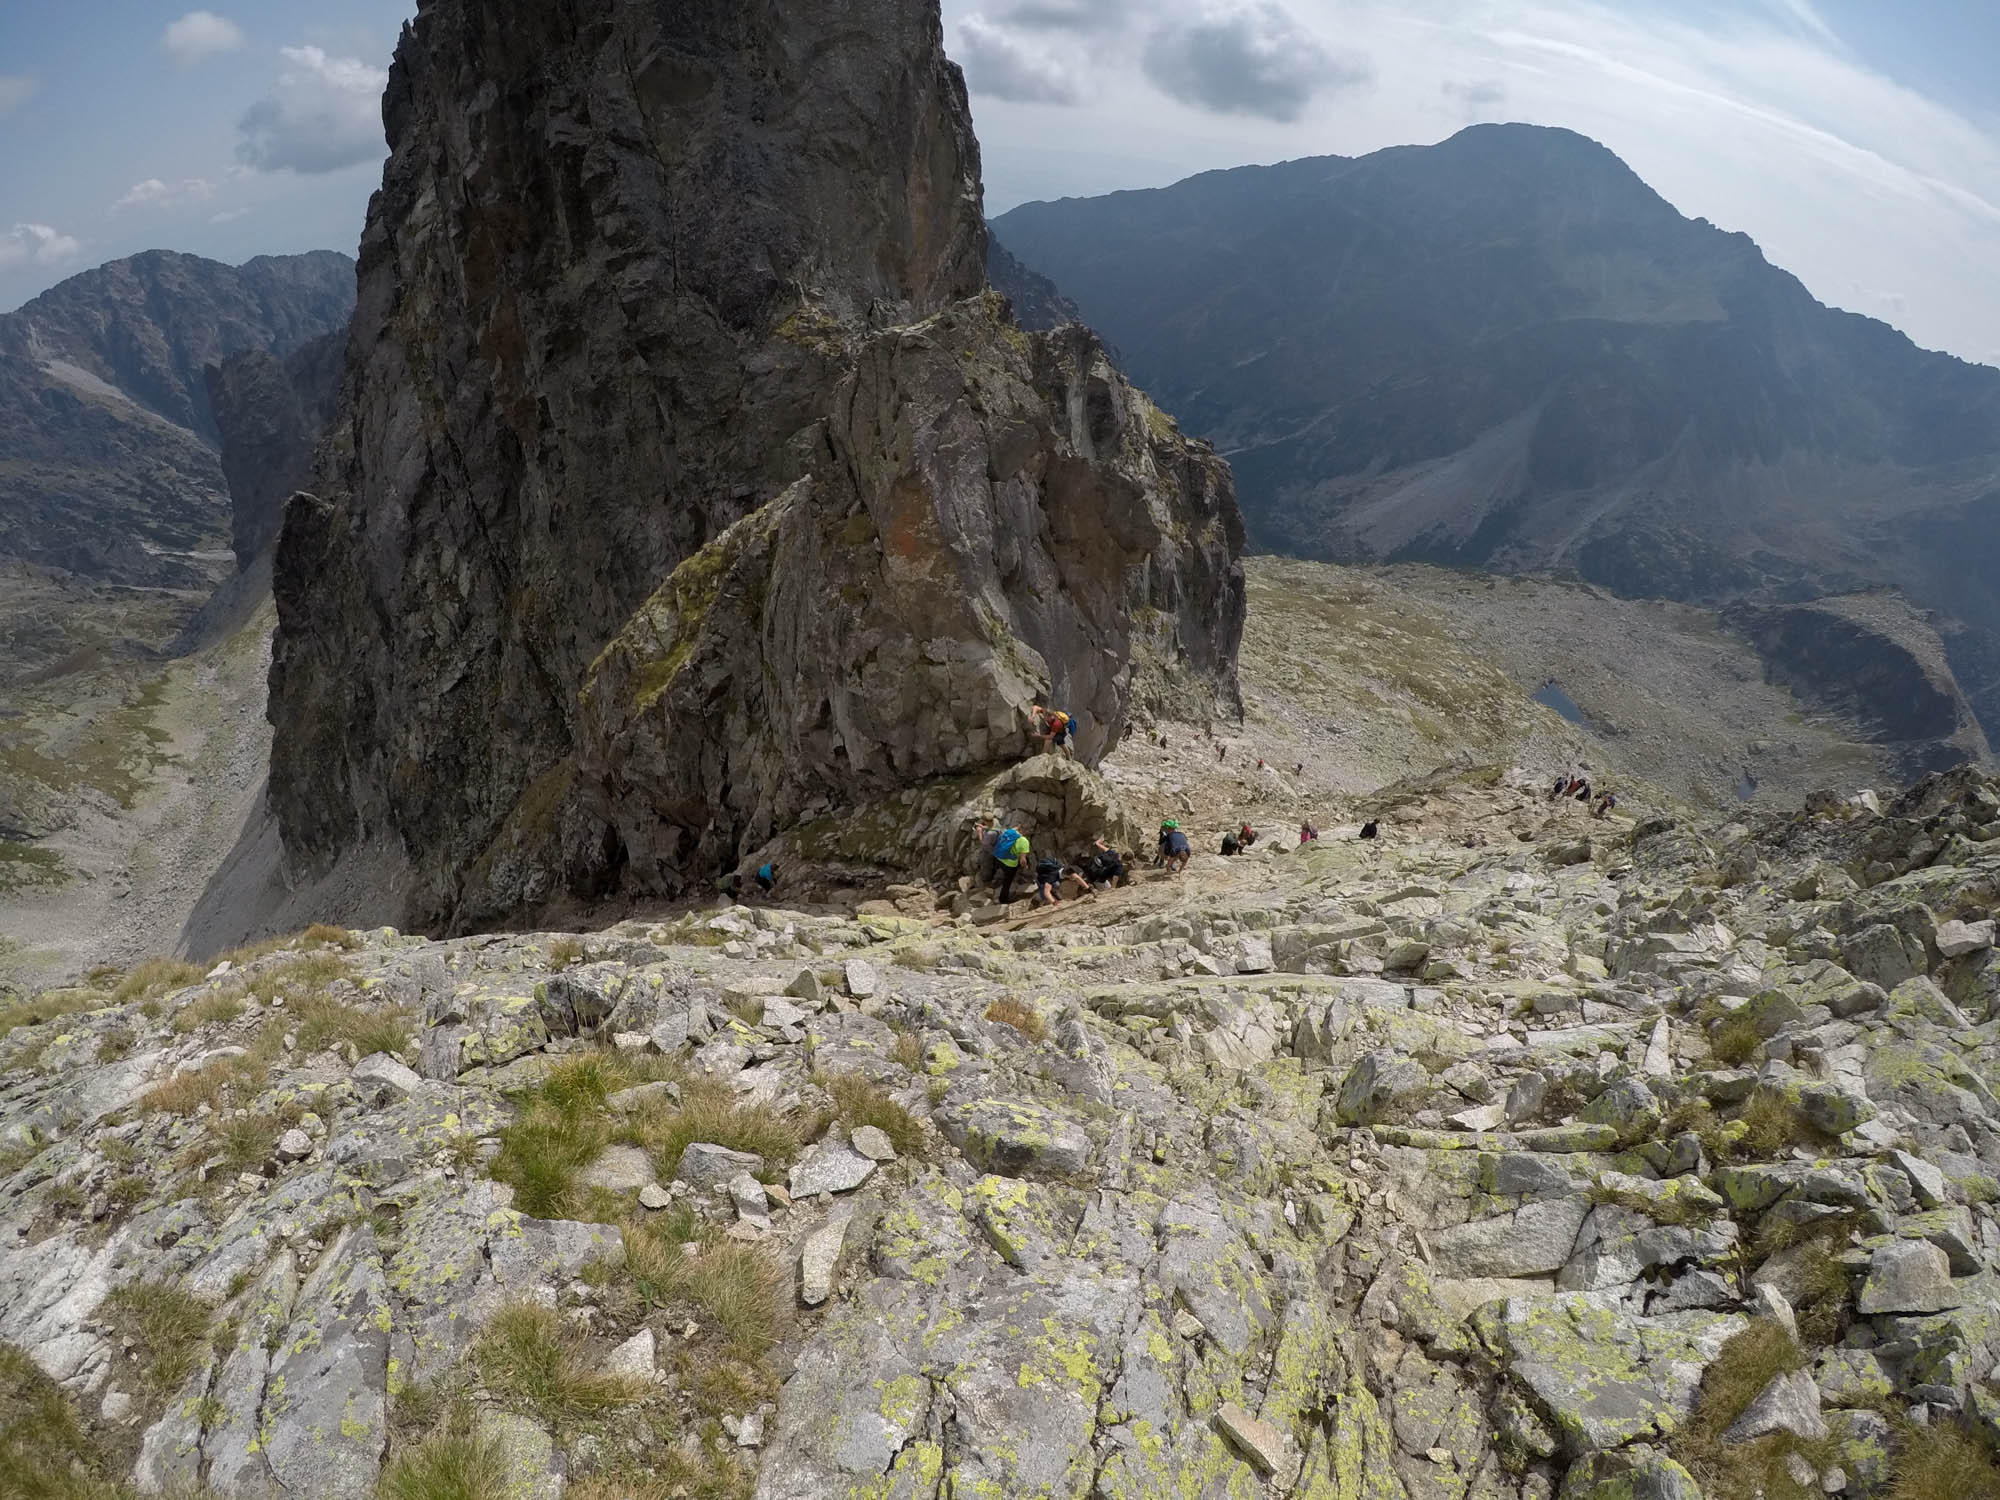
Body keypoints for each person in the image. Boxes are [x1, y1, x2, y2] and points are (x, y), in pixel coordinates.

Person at [992, 825, 1030, 903]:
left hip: (999, 858)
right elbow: (1023, 860)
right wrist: (1025, 866)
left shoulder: (1009, 832)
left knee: (1004, 871)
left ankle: (996, 879)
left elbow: (1014, 828)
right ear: (1026, 832)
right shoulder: (1024, 841)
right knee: (1007, 881)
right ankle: (1003, 899)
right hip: (1010, 864)